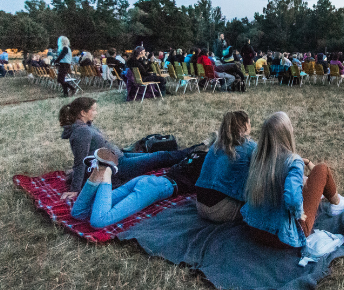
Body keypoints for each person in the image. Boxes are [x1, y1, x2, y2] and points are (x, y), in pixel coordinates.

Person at [241, 112, 344, 249]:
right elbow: (293, 200)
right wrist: (300, 214)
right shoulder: (292, 162)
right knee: (321, 169)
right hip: (282, 236)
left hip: (255, 229)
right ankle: (338, 204)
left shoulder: (258, 156)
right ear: (286, 133)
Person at [58, 97, 194, 200]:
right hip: (119, 166)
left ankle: (194, 151)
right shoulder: (82, 132)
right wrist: (75, 188)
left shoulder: (86, 125)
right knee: (160, 157)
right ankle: (196, 152)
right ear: (83, 112)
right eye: (93, 110)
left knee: (158, 154)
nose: (96, 112)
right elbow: (80, 160)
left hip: (120, 156)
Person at [70, 145, 207, 229]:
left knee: (79, 213)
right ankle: (107, 172)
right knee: (99, 221)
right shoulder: (208, 163)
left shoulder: (195, 155)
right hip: (157, 187)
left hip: (147, 180)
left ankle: (97, 174)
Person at [194, 111, 257, 222]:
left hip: (199, 205)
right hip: (221, 209)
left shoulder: (215, 146)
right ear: (245, 125)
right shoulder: (250, 146)